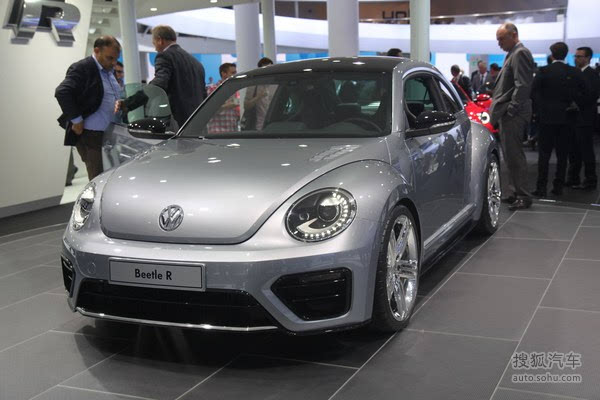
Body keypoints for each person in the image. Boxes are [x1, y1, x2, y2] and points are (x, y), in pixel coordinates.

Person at [55, 36, 122, 180]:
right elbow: (62, 92)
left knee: (111, 177)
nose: (113, 63)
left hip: (110, 133)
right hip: (91, 135)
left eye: (115, 59)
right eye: (109, 58)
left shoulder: (109, 70)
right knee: (98, 178)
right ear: (97, 51)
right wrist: (77, 120)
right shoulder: (82, 67)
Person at [489, 23, 535, 210]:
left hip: (513, 113)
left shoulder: (520, 53)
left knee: (515, 156)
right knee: (510, 155)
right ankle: (516, 192)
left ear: (513, 35)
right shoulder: (513, 54)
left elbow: (522, 85)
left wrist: (511, 109)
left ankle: (523, 195)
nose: (499, 43)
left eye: (502, 39)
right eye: (498, 40)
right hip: (508, 112)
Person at [531, 42, 586, 198]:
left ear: (552, 54)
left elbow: (534, 93)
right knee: (562, 155)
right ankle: (558, 187)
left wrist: (539, 111)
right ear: (566, 54)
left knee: (544, 155)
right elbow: (584, 92)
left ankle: (541, 187)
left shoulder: (543, 71)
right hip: (566, 118)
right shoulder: (574, 72)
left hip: (546, 119)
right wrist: (572, 103)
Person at [147, 25, 207, 128]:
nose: (155, 48)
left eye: (154, 43)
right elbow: (203, 94)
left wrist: (137, 98)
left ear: (160, 40)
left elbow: (159, 84)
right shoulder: (196, 63)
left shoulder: (165, 56)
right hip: (197, 121)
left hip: (176, 122)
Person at [567, 46, 600, 190]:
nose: (576, 59)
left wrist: (575, 100)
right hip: (574, 117)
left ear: (587, 58)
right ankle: (573, 178)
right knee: (574, 150)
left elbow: (592, 95)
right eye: (575, 56)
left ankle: (590, 179)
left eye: (579, 56)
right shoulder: (576, 73)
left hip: (585, 117)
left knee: (586, 150)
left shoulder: (592, 74)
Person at [243, 57, 275, 130]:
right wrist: (258, 97)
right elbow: (246, 106)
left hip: (274, 126)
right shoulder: (253, 86)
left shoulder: (276, 85)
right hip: (258, 126)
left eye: (270, 69)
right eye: (265, 69)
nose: (268, 72)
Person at [206, 63, 239, 133]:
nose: (235, 75)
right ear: (224, 74)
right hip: (217, 131)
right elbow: (209, 110)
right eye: (233, 73)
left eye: (235, 72)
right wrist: (227, 106)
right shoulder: (213, 89)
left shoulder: (234, 90)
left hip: (232, 131)